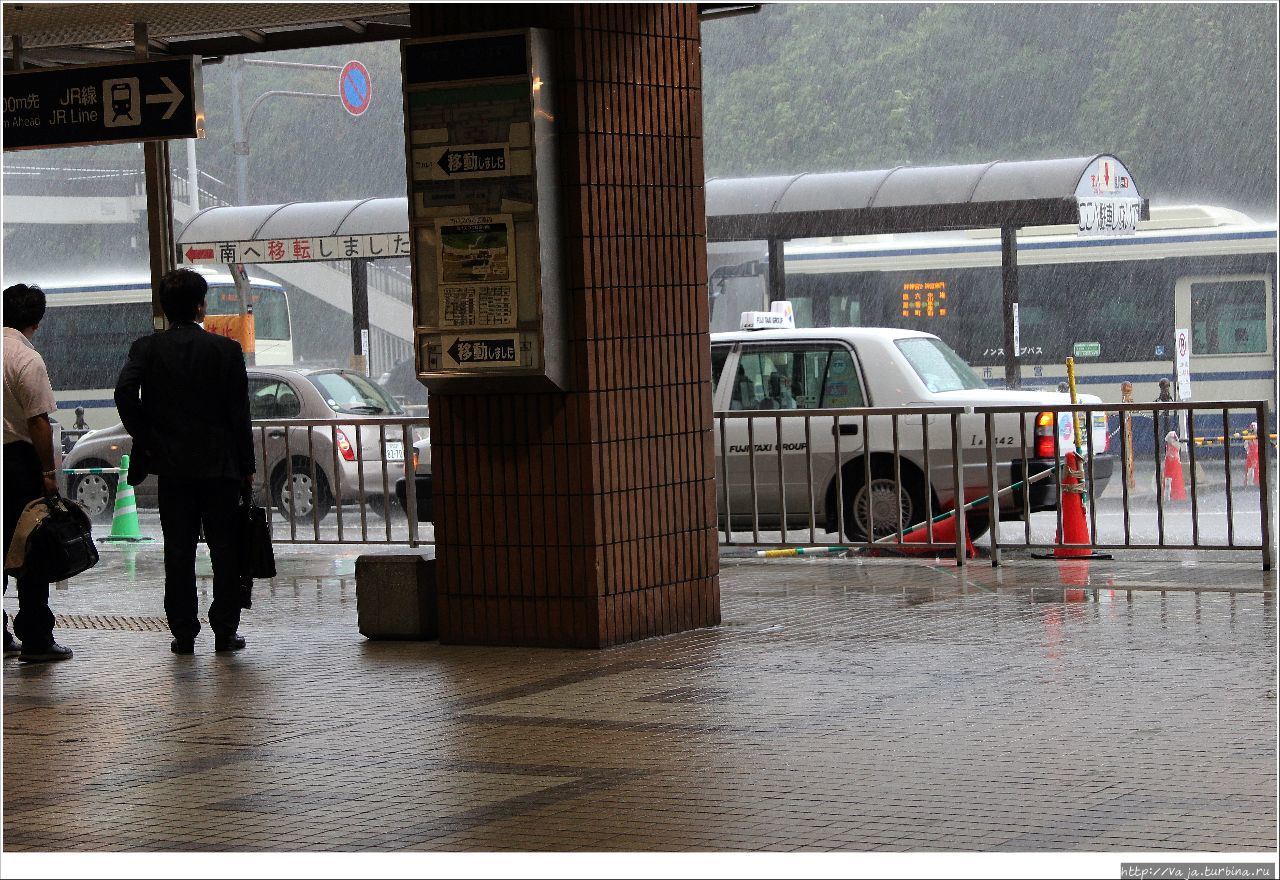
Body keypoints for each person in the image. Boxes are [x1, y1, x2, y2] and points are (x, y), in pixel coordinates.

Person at [114, 269, 255, 655]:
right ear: (199, 306)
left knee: (178, 551)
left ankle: (183, 632)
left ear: (164, 306)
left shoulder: (147, 349)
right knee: (225, 550)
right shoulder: (225, 351)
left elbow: (124, 393)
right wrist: (246, 466)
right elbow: (239, 414)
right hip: (220, 468)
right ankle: (224, 630)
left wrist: (148, 435)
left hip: (173, 468)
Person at [2, 283, 72, 662]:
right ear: (37, 321)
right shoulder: (27, 360)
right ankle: (36, 638)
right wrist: (48, 473)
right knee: (30, 547)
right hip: (16, 464)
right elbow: (39, 422)